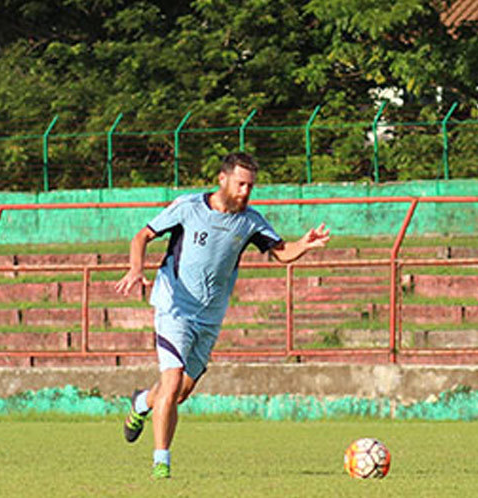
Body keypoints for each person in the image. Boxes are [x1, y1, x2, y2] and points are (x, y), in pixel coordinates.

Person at [114, 152, 331, 480]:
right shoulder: (189, 208)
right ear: (223, 179)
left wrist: (304, 244)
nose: (246, 191)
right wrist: (135, 268)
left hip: (210, 316)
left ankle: (142, 402)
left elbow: (280, 252)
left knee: (180, 394)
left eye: (251, 186)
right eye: (241, 184)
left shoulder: (250, 221)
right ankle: (162, 463)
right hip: (174, 306)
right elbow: (142, 236)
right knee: (171, 382)